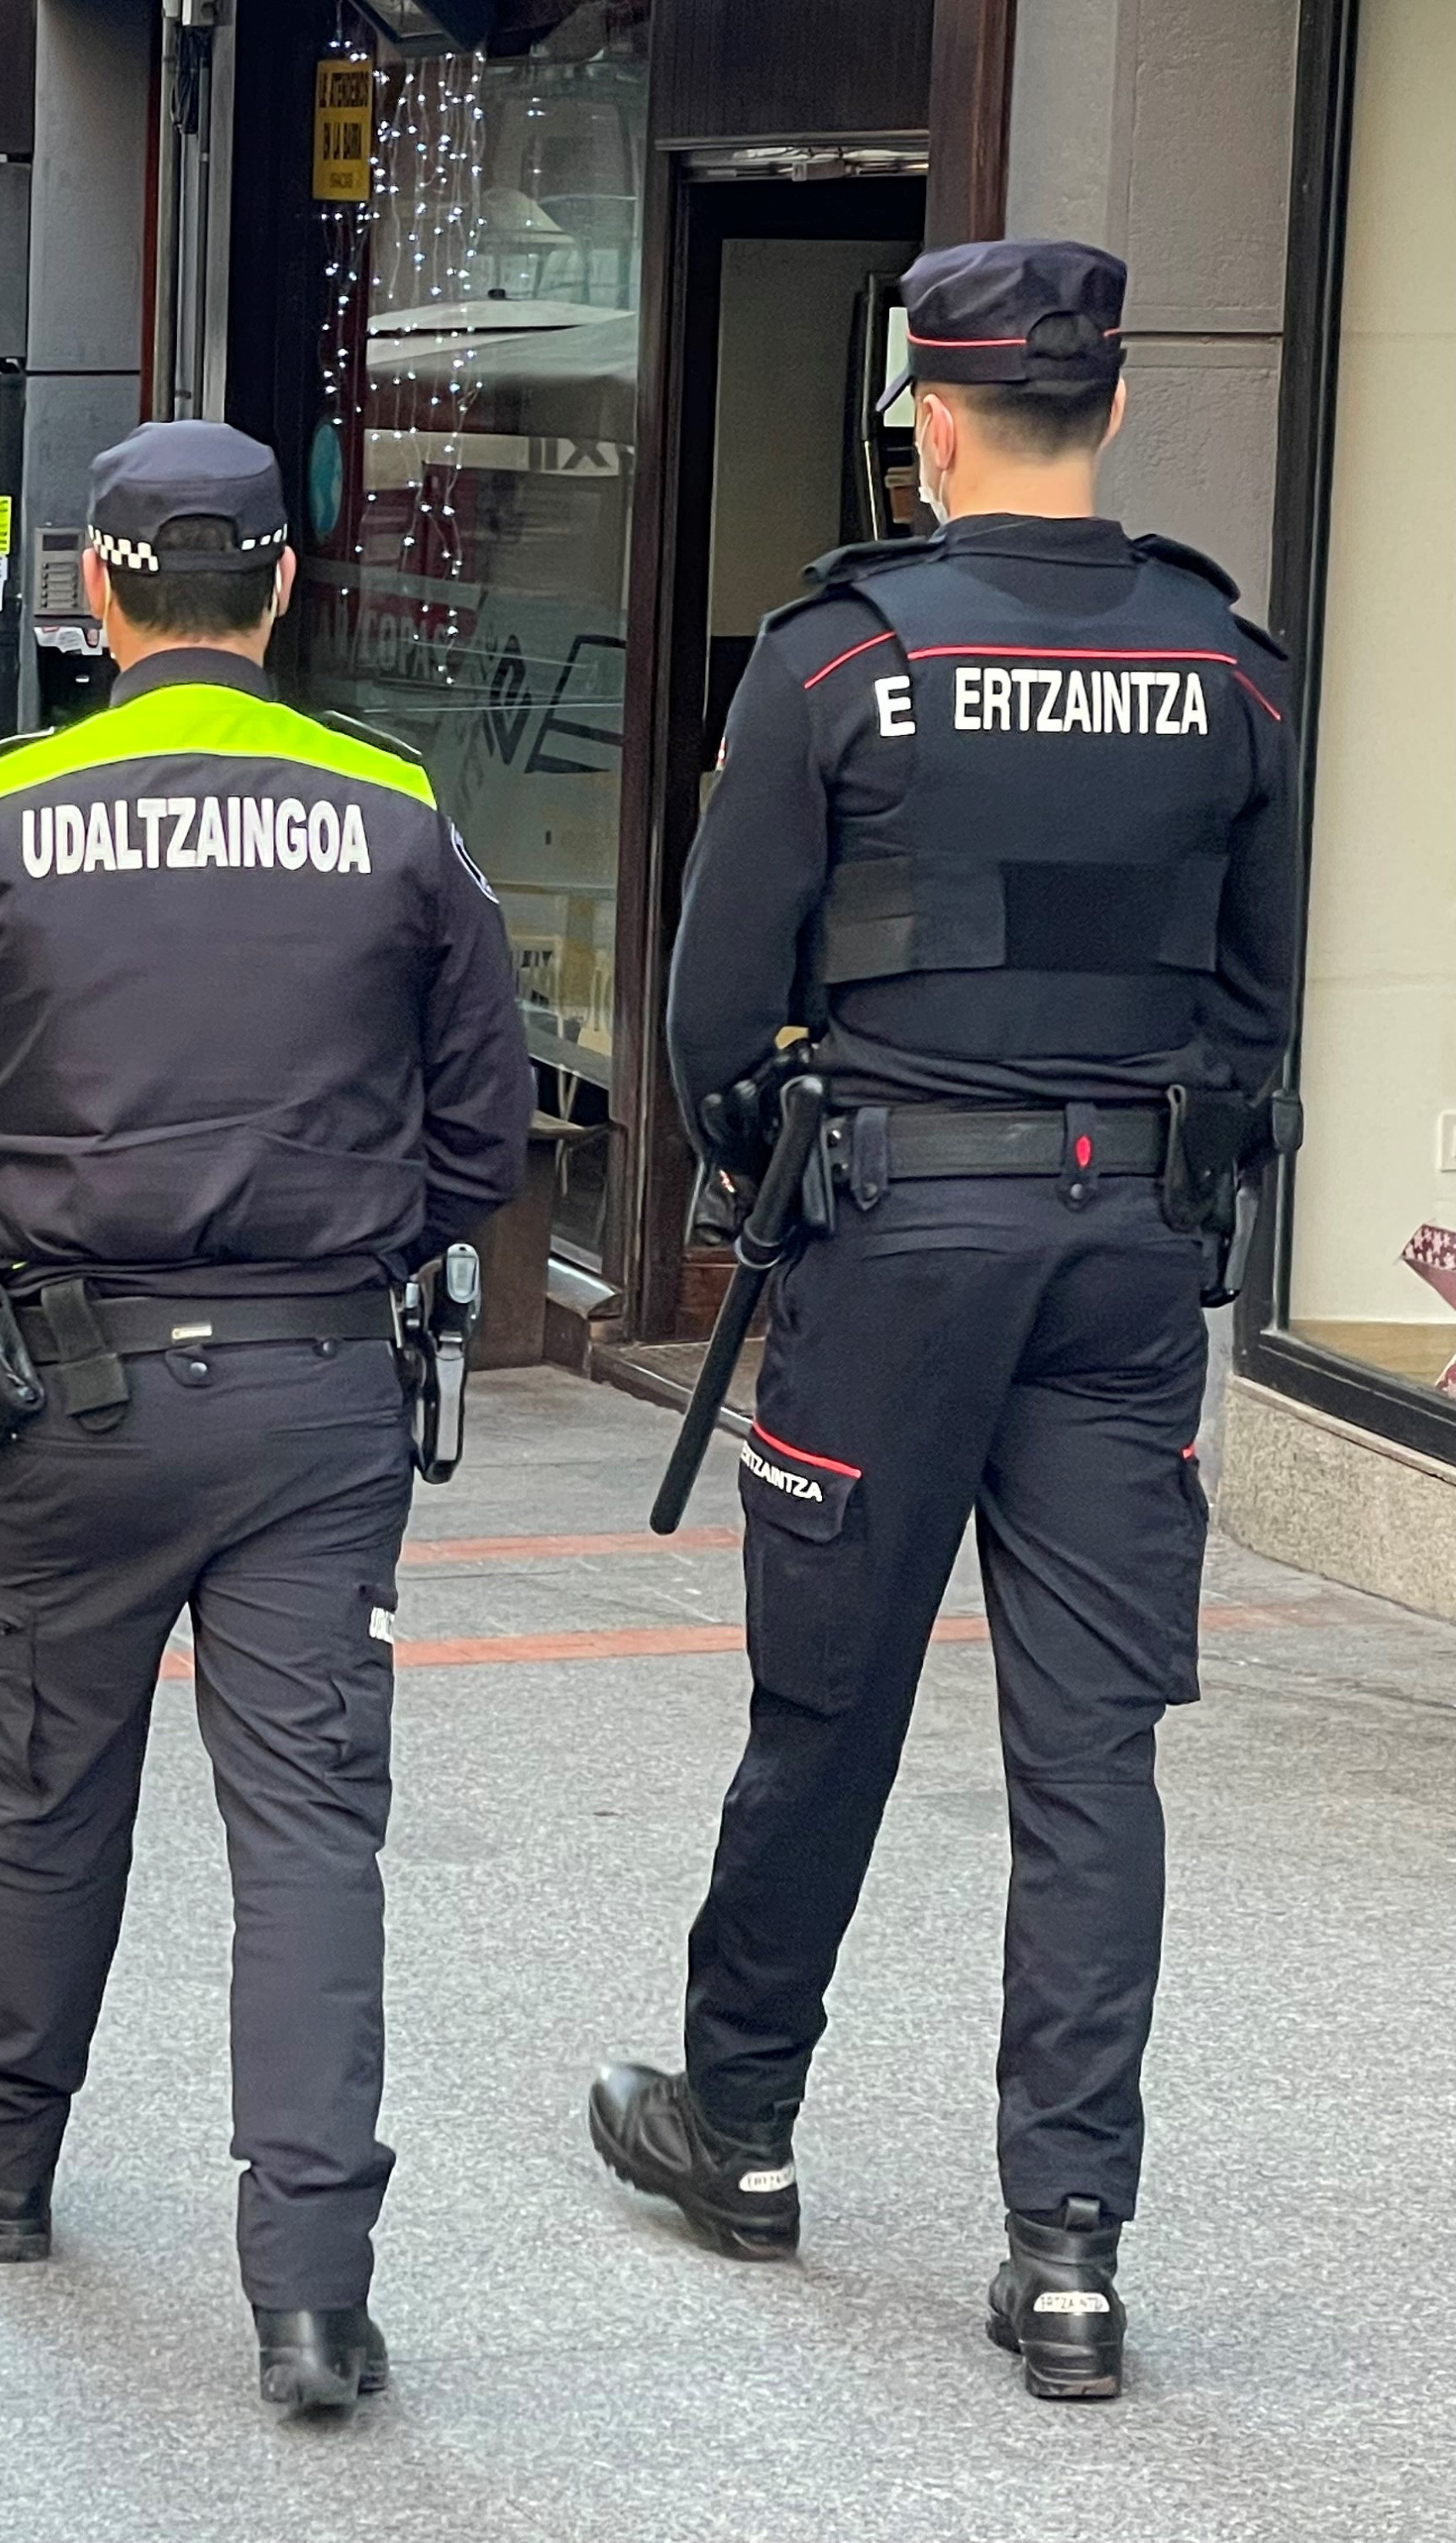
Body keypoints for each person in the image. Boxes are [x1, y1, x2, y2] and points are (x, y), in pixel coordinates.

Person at [586, 241, 1300, 2403]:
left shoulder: (835, 662)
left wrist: (770, 1176)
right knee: (1089, 1755)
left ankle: (743, 2119)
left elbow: (715, 1003)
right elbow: (1256, 1009)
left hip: (896, 1244)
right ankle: (1069, 2245)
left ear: (933, 414)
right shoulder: (1232, 667)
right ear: (1103, 410)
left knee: (828, 1709)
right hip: (1120, 1256)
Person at [0, 421, 531, 2417]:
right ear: (281, 587)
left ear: (97, 591)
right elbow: (483, 1129)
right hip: (320, 1379)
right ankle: (312, 2294)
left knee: (52, 1781)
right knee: (311, 1828)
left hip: (67, 1379)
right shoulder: (397, 812)